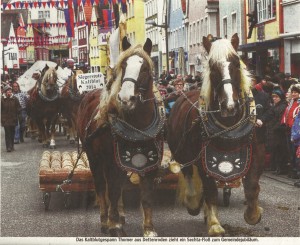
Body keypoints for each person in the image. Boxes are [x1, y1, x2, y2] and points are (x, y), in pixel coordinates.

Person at [257, 88, 288, 174]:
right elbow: (268, 114)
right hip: (274, 131)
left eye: (276, 97)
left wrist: (273, 128)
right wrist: (262, 120)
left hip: (280, 131)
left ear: (281, 97)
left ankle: (281, 168)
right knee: (276, 149)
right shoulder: (275, 106)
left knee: (281, 150)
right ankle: (276, 167)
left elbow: (280, 120)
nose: (274, 98)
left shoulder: (283, 106)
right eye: (273, 97)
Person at [281, 84, 300, 178]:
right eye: (292, 92)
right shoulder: (291, 102)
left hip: (296, 131)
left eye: (296, 92)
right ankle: (293, 169)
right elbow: (286, 114)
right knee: (291, 151)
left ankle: (296, 171)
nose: (293, 94)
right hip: (289, 129)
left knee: (296, 151)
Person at [1, 85, 21, 152]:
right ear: (5, 92)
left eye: (10, 90)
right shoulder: (2, 99)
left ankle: (12, 146)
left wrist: (19, 112)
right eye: (8, 90)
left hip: (13, 119)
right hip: (5, 119)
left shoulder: (15, 99)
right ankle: (8, 147)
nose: (9, 91)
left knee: (12, 133)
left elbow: (19, 107)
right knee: (7, 133)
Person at [290, 98, 300, 187]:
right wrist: (292, 136)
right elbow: (294, 126)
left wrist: (295, 137)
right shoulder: (298, 115)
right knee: (298, 160)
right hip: (297, 141)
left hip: (298, 139)